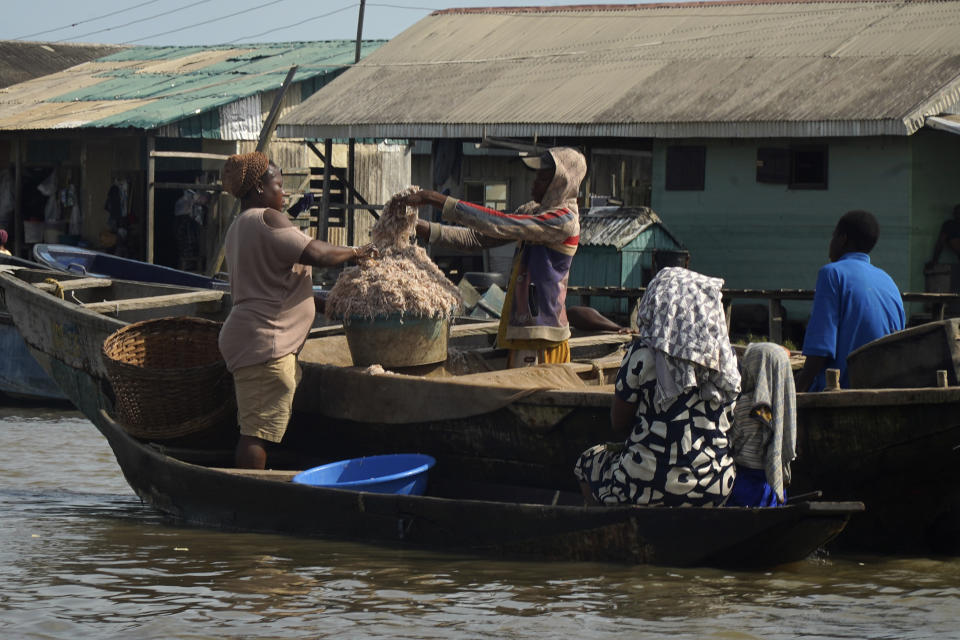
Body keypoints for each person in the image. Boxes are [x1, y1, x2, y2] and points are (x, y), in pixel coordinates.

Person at [218, 151, 377, 469]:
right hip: (265, 342)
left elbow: (278, 285)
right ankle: (248, 497)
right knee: (256, 433)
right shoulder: (267, 217)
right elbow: (316, 253)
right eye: (278, 184)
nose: (284, 192)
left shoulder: (238, 226)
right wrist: (356, 252)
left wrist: (327, 304)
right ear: (259, 190)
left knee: (258, 427)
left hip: (253, 337)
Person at [402, 147, 586, 368]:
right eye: (536, 176)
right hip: (519, 329)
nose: (534, 182)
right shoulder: (534, 211)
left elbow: (500, 224)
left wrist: (435, 199)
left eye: (543, 178)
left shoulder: (563, 220)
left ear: (561, 183)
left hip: (541, 335)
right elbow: (478, 238)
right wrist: (422, 228)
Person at [574, 267, 741, 507]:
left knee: (588, 461)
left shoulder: (643, 354)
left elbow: (618, 423)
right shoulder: (726, 359)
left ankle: (606, 527)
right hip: (715, 485)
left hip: (646, 485)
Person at [796, 210, 905, 392]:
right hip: (883, 386)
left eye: (833, 237)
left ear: (842, 239)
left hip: (842, 388)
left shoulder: (832, 273)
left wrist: (797, 393)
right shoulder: (888, 280)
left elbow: (819, 350)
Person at [726, 342, 796, 507]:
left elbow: (730, 441)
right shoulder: (784, 408)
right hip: (775, 484)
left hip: (747, 485)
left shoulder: (743, 405)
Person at [926, 204, 960, 269]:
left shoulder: (950, 225)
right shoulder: (950, 225)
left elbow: (940, 243)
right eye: (958, 213)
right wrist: (934, 261)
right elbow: (940, 243)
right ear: (954, 214)